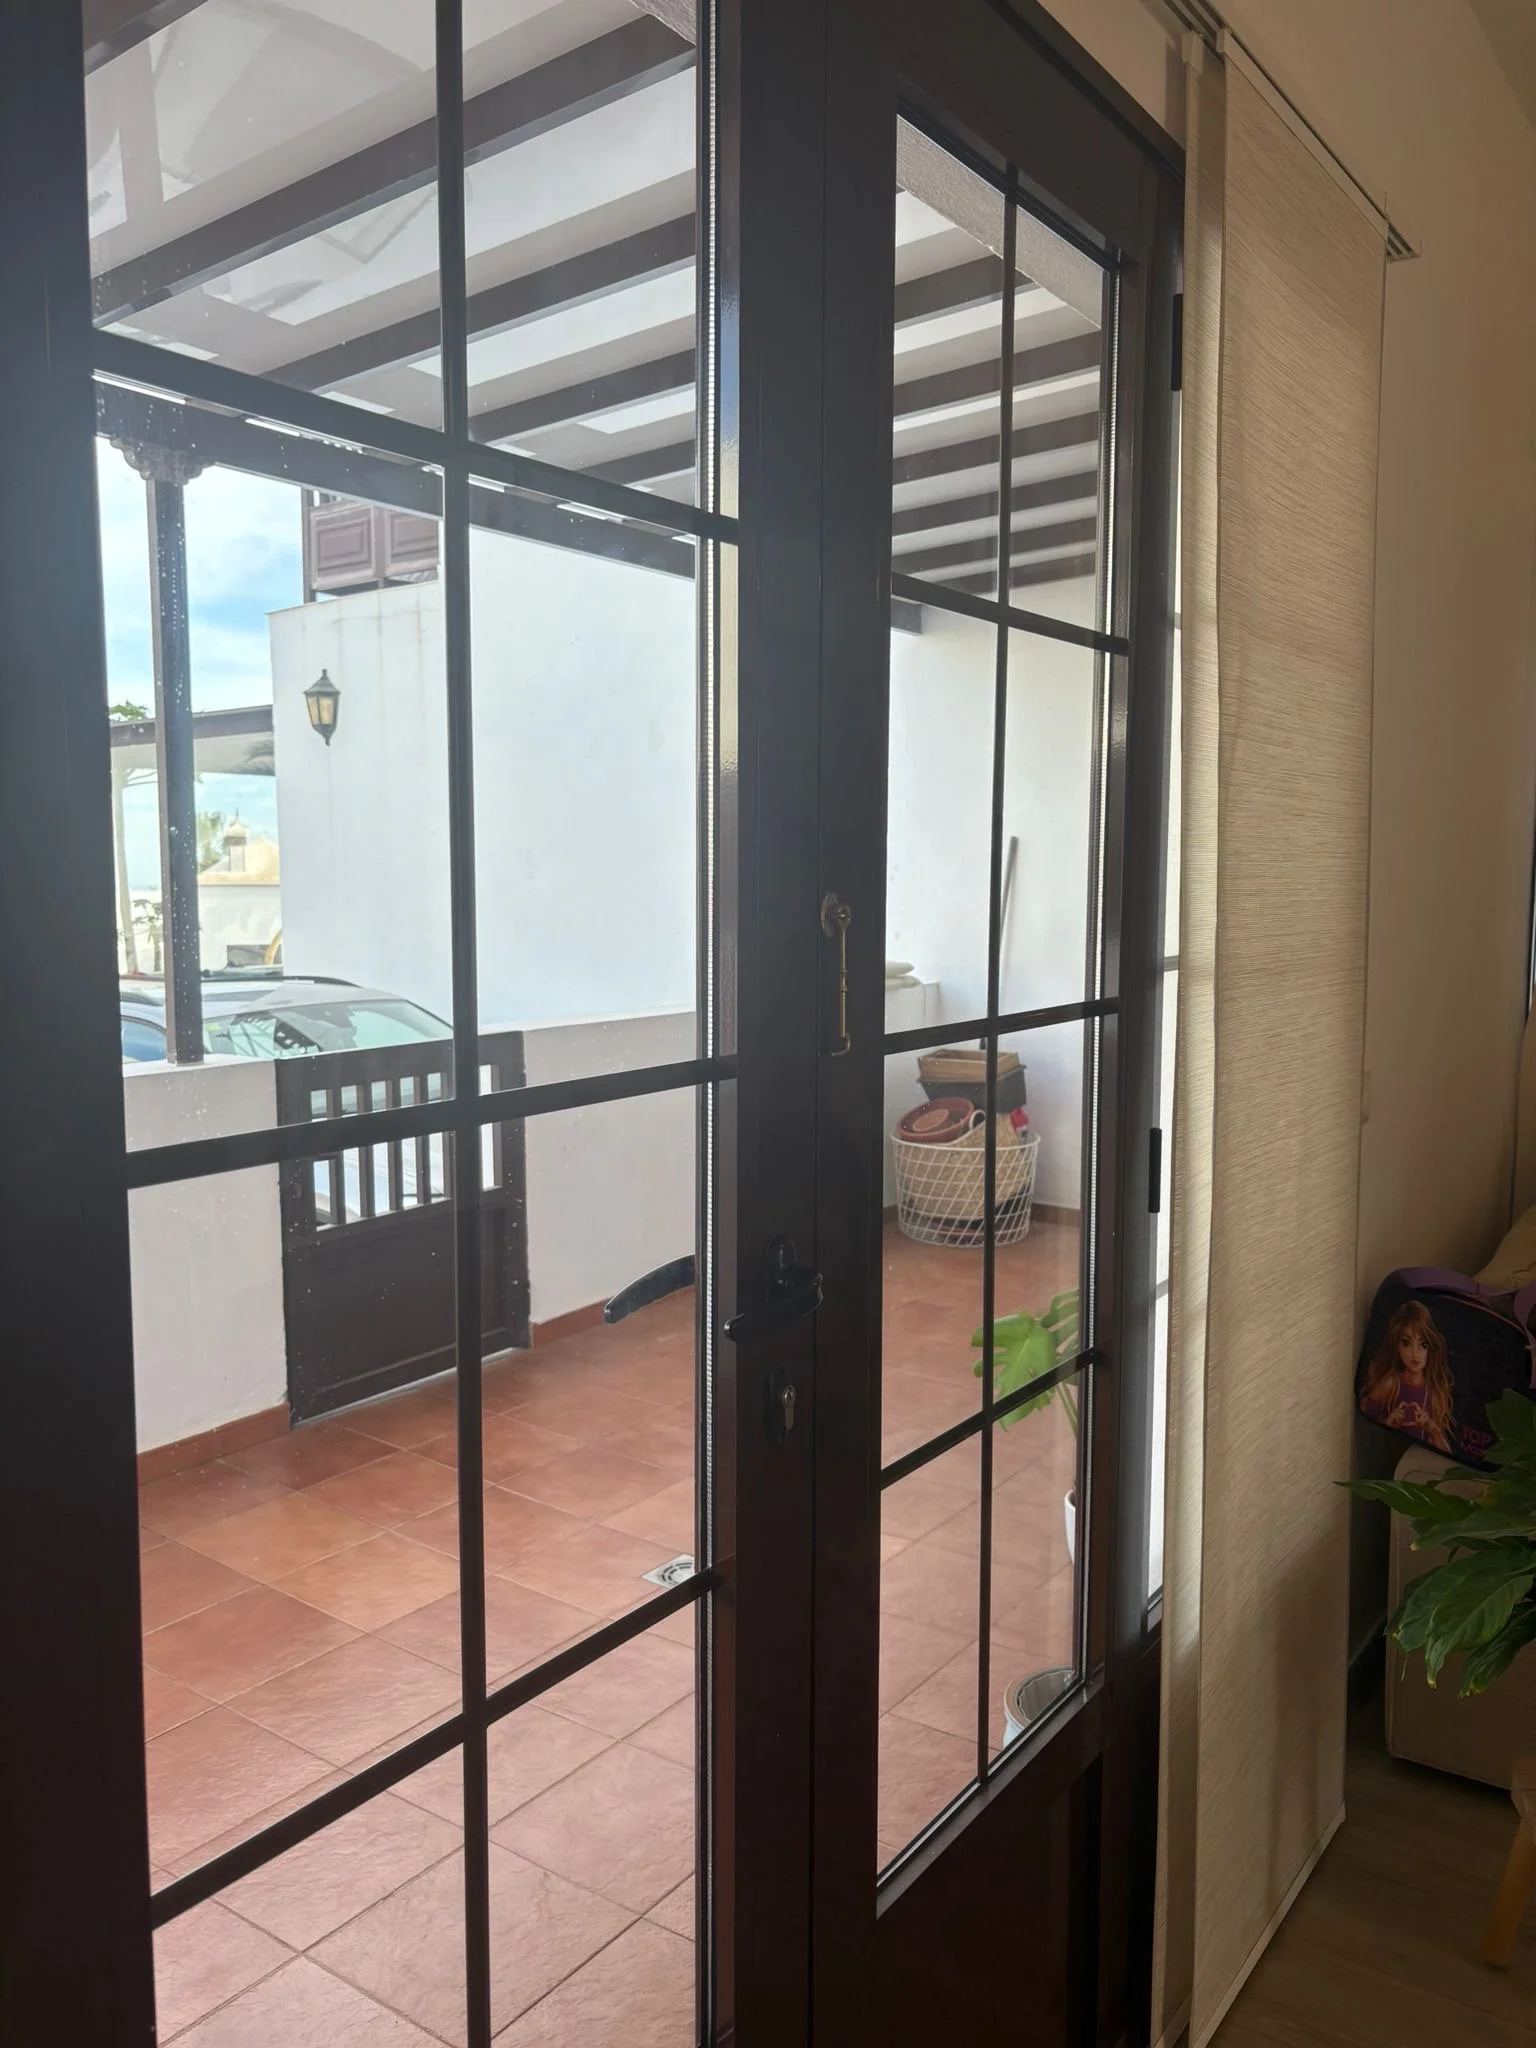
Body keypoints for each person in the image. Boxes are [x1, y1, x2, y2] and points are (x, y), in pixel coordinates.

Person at [1361, 1300, 1454, 1453]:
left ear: (1430, 1348)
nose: (1415, 1353)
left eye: (1423, 1345)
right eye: (1406, 1343)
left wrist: (1432, 1429)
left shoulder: (1434, 1392)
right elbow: (1364, 1420)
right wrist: (1388, 1424)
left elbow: (1446, 1453)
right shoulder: (1392, 1384)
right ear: (1397, 1346)